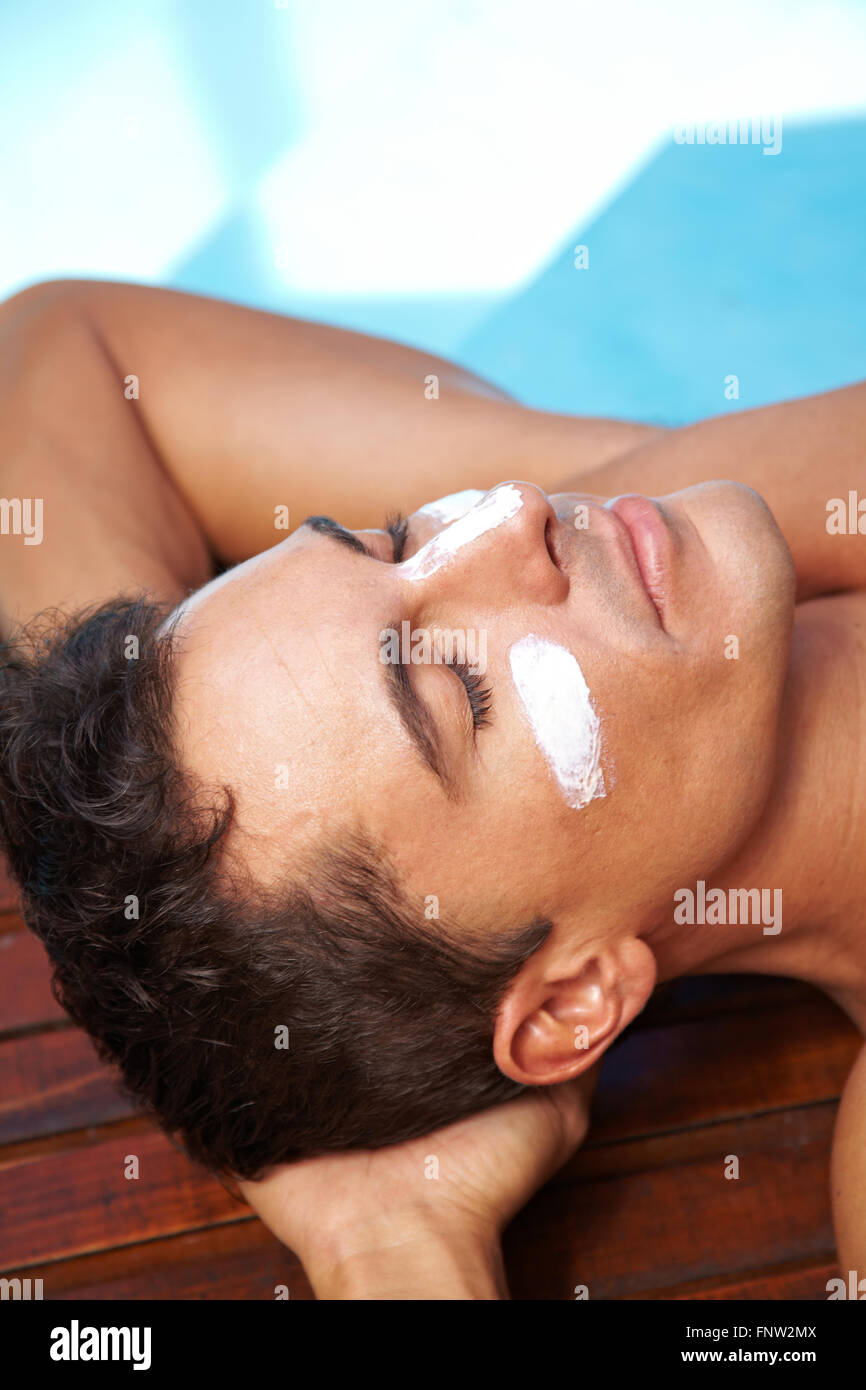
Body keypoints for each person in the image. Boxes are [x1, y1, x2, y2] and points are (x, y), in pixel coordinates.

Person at [1, 278, 864, 1299]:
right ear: (571, 1000)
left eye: (391, 538)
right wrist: (387, 1241)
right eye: (458, 685)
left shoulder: (647, 555)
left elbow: (58, 354)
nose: (509, 509)